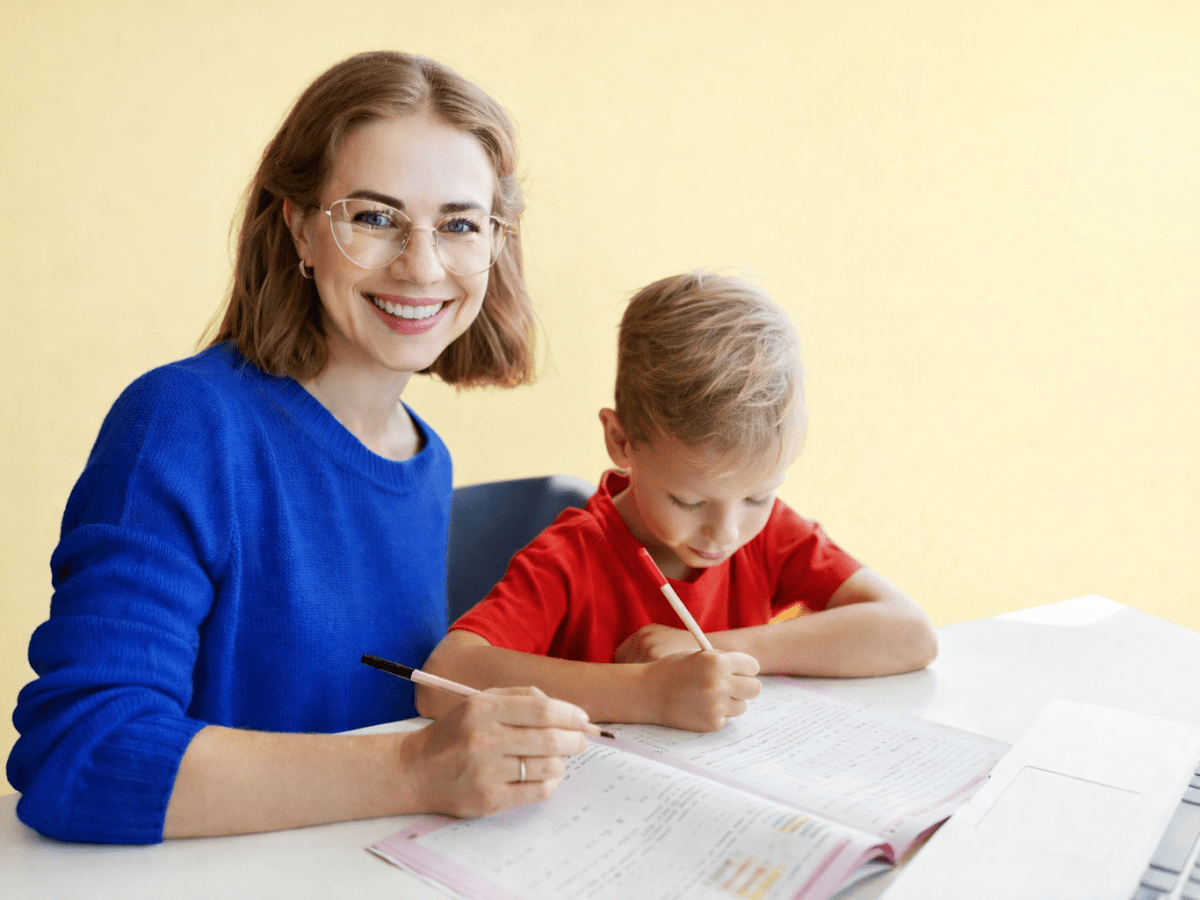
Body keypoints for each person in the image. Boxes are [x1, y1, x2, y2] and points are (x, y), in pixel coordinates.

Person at [6, 50, 593, 844]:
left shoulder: (425, 457)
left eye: (459, 224)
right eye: (373, 217)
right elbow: (81, 755)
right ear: (299, 230)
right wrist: (417, 770)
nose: (422, 267)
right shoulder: (180, 424)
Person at [419, 271, 939, 732]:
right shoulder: (572, 557)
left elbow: (910, 634)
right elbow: (443, 678)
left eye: (757, 496)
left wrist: (715, 649)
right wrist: (649, 692)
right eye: (689, 502)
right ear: (622, 442)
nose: (725, 533)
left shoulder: (773, 533)